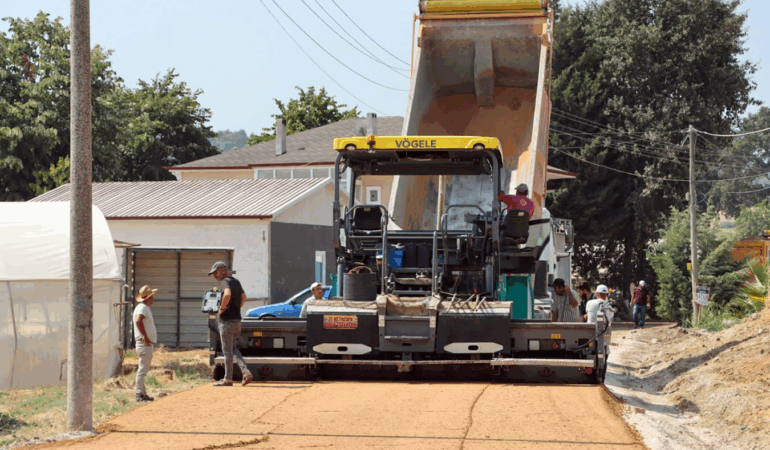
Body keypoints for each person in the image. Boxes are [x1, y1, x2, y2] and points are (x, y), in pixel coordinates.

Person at [209, 261, 253, 387]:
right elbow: (244, 297)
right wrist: (237, 308)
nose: (214, 275)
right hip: (237, 321)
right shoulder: (236, 281)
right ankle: (246, 372)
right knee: (233, 349)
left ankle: (228, 379)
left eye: (215, 272)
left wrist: (222, 309)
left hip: (226, 322)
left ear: (222, 270)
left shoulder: (225, 281)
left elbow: (227, 294)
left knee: (227, 351)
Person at [133, 285, 158, 402]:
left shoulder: (141, 307)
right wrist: (145, 337)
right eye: (151, 297)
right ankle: (139, 394)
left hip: (144, 343)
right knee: (142, 370)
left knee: (143, 369)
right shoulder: (143, 308)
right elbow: (139, 320)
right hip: (144, 344)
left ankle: (142, 392)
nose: (153, 299)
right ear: (148, 298)